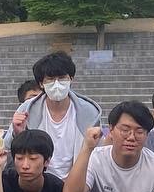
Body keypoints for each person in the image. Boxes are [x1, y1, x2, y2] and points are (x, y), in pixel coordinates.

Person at [7, 51, 103, 179]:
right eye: (50, 79)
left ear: (71, 79)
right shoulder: (27, 109)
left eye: (62, 78)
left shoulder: (89, 112)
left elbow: (99, 153)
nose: (57, 84)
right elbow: (7, 148)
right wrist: (18, 134)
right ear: (41, 83)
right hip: (39, 183)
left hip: (78, 182)